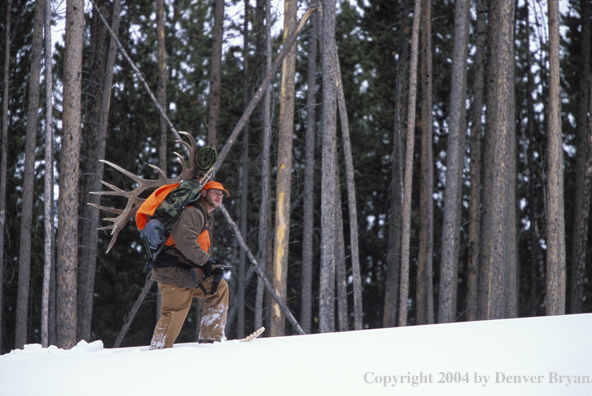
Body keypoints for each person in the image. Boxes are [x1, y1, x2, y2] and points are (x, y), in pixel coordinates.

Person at [149, 180, 230, 350]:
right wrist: (205, 261)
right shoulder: (193, 212)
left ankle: (211, 340)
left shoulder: (201, 215)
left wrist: (208, 264)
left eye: (221, 194)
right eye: (215, 192)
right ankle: (158, 353)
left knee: (219, 288)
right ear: (203, 193)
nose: (219, 196)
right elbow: (185, 240)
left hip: (187, 273)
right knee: (173, 315)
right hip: (174, 274)